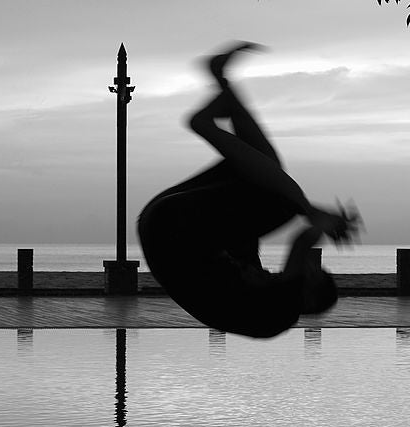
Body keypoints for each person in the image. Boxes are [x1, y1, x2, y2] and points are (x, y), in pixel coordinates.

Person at [137, 42, 361, 339]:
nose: (304, 268)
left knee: (281, 200)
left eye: (311, 274)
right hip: (161, 222)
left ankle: (206, 119)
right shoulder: (256, 299)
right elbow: (253, 239)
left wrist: (321, 221)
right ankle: (221, 84)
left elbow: (302, 243)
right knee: (265, 168)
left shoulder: (282, 309)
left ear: (308, 296)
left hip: (176, 229)